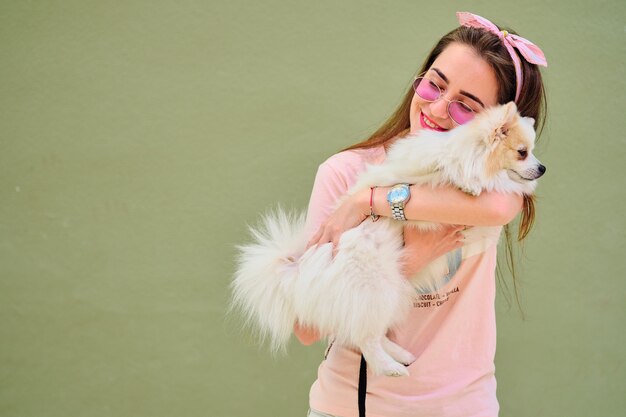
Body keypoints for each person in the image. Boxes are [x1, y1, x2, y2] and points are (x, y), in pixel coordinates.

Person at [294, 12, 548, 417]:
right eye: (435, 84)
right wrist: (409, 260)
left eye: (467, 107)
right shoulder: (344, 172)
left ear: (496, 127)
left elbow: (502, 207)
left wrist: (368, 202)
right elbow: (306, 327)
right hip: (355, 407)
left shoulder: (494, 184)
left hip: (466, 407)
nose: (439, 108)